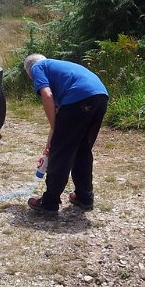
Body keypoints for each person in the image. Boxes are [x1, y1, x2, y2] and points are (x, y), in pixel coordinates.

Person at [23, 54, 109, 214]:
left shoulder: (37, 67)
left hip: (80, 98)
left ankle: (49, 202)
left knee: (62, 152)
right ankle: (84, 197)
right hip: (100, 96)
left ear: (29, 72)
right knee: (81, 149)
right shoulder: (59, 69)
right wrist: (52, 138)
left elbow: (47, 95)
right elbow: (58, 112)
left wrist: (55, 132)